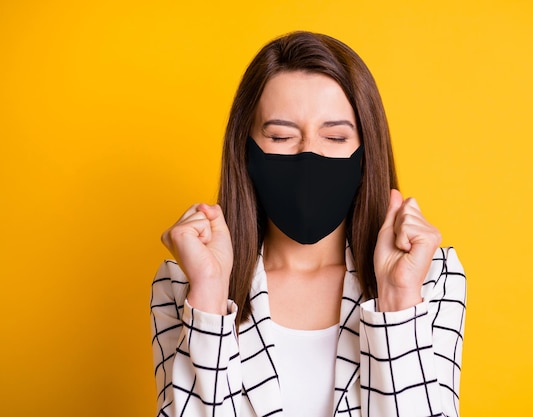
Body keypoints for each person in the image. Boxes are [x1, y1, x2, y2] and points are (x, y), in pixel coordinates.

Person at [150, 31, 466, 417]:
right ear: (244, 149)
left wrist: (399, 300)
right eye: (281, 136)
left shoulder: (433, 280)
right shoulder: (181, 285)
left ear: (366, 151)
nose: (309, 155)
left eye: (334, 137)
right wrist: (210, 296)